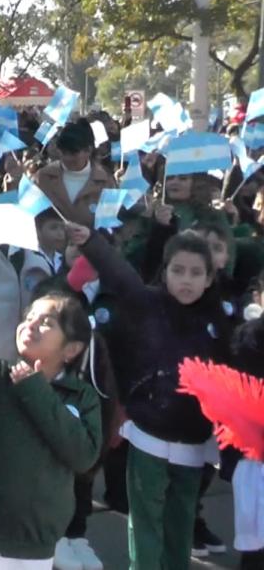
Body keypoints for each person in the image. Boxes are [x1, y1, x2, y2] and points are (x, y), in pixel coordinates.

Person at [71, 223, 232, 570]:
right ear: (165, 272)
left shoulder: (219, 320)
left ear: (209, 278)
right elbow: (121, 275)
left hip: (194, 438)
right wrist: (91, 242)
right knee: (144, 518)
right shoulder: (148, 304)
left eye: (195, 273)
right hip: (149, 434)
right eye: (178, 270)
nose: (186, 280)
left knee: (181, 516)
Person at [0, 291, 104, 569]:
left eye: (47, 321)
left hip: (30, 550)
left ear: (71, 349)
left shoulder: (82, 396)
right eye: (28, 317)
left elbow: (83, 455)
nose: (31, 324)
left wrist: (35, 388)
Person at [31, 121, 114, 227]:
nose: (67, 158)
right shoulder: (43, 177)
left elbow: (110, 225)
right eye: (64, 153)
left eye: (73, 153)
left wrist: (89, 236)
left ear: (88, 150)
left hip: (92, 242)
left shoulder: (105, 181)